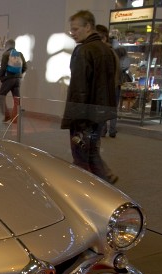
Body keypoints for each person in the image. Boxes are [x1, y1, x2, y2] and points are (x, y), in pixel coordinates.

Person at [61, 10, 118, 184]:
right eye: (72, 29)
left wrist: (76, 119)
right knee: (92, 154)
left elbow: (79, 89)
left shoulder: (83, 51)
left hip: (84, 114)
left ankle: (90, 193)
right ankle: (105, 190)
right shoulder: (106, 50)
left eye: (76, 29)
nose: (73, 33)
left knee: (81, 157)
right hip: (100, 113)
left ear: (88, 27)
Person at [96, 24, 119, 138]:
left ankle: (107, 130)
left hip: (110, 87)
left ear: (104, 38)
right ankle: (110, 130)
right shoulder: (109, 51)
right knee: (110, 110)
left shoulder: (107, 53)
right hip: (112, 87)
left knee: (107, 110)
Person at [0, 38, 27, 122]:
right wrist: (18, 75)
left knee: (1, 97)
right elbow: (25, 67)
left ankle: (7, 115)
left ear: (7, 45)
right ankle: (15, 119)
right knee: (16, 99)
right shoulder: (20, 54)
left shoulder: (6, 54)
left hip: (8, 79)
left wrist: (2, 77)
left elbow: (2, 68)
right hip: (18, 80)